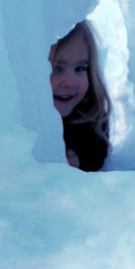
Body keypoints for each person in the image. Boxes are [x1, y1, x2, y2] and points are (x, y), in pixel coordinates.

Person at [48, 21, 111, 172]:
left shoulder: (89, 109)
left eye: (80, 68)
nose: (70, 82)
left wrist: (79, 159)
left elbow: (97, 151)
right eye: (56, 68)